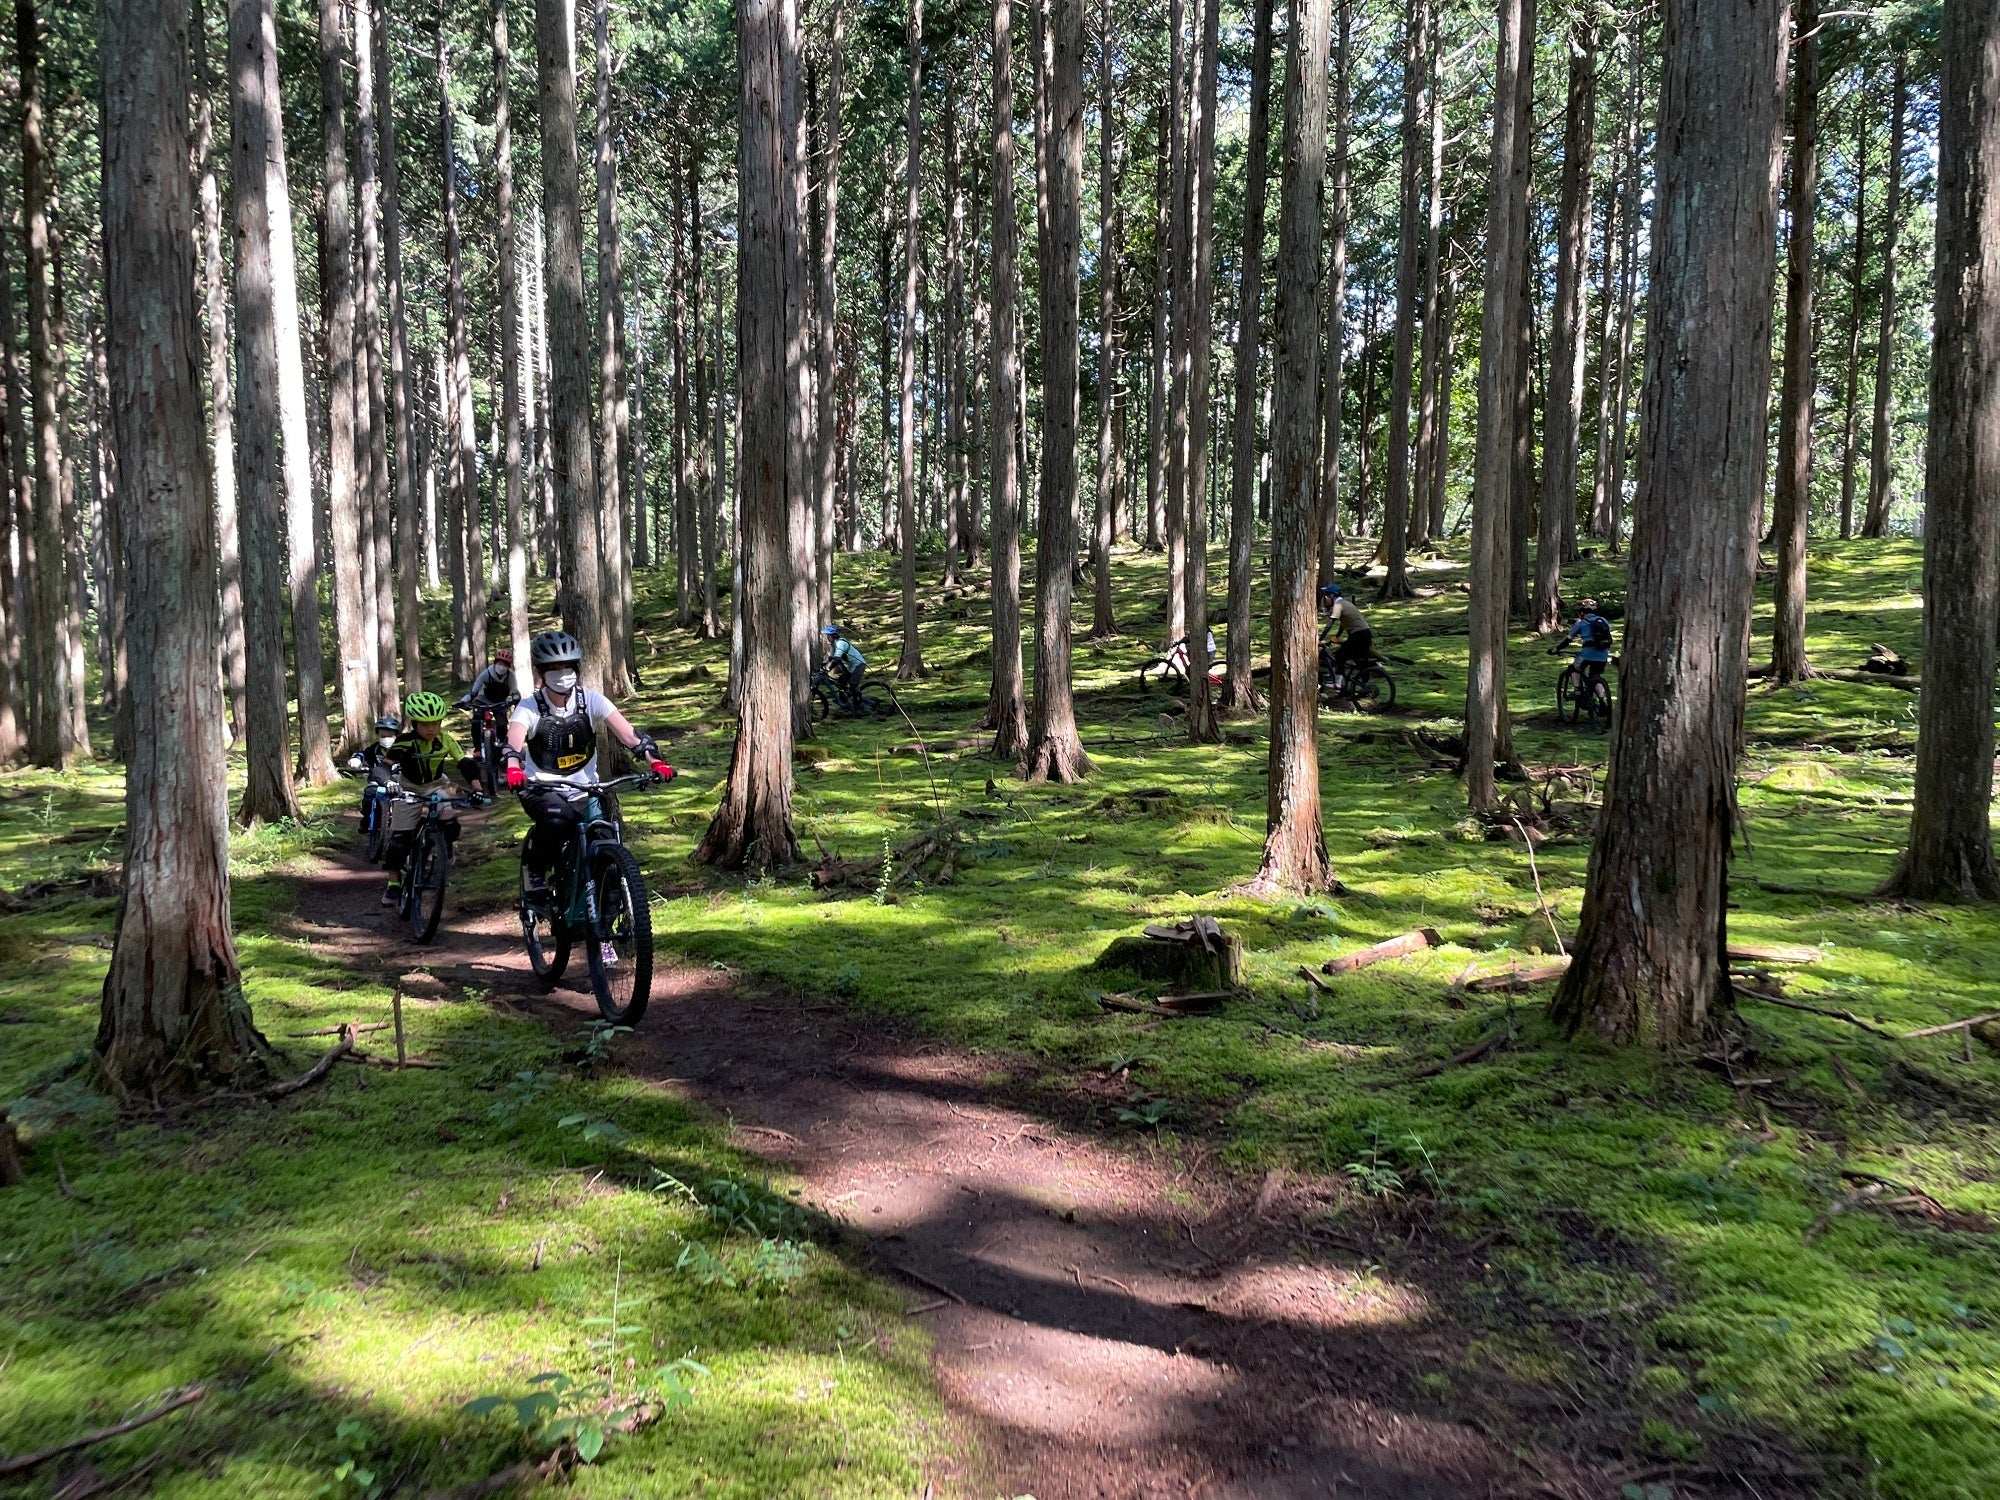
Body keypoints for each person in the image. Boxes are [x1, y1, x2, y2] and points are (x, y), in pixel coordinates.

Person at [503, 631, 672, 903]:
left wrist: (655, 761)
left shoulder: (591, 700)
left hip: (586, 788)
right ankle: (534, 867)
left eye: (567, 667)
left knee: (606, 837)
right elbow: (513, 743)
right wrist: (513, 768)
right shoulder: (529, 707)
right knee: (558, 819)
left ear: (576, 668)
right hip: (541, 788)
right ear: (541, 672)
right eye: (554, 669)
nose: (562, 674)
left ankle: (609, 910)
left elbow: (630, 735)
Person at [379, 693, 481, 907]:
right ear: (415, 723)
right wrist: (388, 781)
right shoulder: (405, 741)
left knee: (450, 822)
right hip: (408, 788)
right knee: (399, 842)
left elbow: (465, 764)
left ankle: (445, 846)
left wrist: (477, 789)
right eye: (425, 725)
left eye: (435, 724)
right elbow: (386, 765)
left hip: (436, 786)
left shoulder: (446, 740)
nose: (430, 729)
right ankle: (393, 884)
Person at [455, 647, 520, 765]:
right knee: (476, 723)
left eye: (505, 665)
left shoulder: (510, 676)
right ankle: (478, 750)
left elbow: (515, 691)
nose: (502, 667)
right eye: (500, 663)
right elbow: (473, 691)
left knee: (502, 725)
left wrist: (515, 699)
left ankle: (502, 749)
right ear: (495, 663)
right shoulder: (486, 673)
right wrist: (463, 701)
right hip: (482, 701)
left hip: (500, 703)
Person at [346, 714, 403, 831]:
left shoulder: (403, 750)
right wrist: (356, 759)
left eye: (390, 735)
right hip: (376, 782)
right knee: (369, 795)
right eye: (383, 735)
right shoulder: (373, 749)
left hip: (397, 781)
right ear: (378, 734)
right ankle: (366, 819)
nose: (386, 738)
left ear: (397, 735)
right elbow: (362, 754)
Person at [1318, 584, 1374, 683]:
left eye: (1326, 596)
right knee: (1360, 660)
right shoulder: (1346, 603)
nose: (1325, 599)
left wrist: (1320, 639)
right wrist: (1335, 639)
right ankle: (1365, 686)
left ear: (1332, 596)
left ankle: (1337, 684)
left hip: (1357, 635)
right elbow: (1343, 625)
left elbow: (1329, 624)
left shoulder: (1337, 605)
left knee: (1340, 655)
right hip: (1366, 633)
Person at [1555, 597, 1614, 688]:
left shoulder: (1581, 623)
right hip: (1603, 654)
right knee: (1595, 676)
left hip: (1587, 654)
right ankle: (1602, 699)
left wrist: (1556, 649)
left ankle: (1578, 690)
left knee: (1574, 669)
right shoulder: (1603, 621)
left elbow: (1568, 640)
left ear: (1582, 613)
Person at [821, 624, 867, 698]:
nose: (827, 638)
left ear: (833, 636)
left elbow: (836, 658)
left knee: (853, 685)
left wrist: (828, 667)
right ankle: (846, 697)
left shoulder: (840, 643)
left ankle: (857, 705)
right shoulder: (834, 645)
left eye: (828, 636)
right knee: (841, 681)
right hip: (851, 667)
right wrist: (822, 665)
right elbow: (831, 658)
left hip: (859, 665)